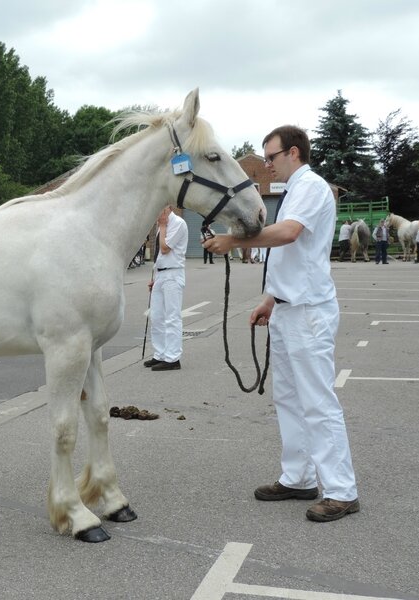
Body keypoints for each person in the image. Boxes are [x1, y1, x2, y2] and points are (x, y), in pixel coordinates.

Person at [203, 125, 359, 522]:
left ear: (293, 153)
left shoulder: (310, 187)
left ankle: (341, 490)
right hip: (290, 307)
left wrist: (234, 241)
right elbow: (294, 255)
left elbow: (289, 235)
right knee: (289, 398)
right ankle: (299, 477)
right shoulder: (293, 191)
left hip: (308, 311)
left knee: (317, 401)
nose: (267, 164)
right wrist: (271, 299)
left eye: (270, 157)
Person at [143, 205, 188, 372]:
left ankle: (173, 358)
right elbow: (159, 256)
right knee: (156, 316)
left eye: (159, 210)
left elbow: (164, 248)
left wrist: (162, 226)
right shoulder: (163, 224)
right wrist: (155, 277)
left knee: (172, 317)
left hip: (173, 274)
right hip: (161, 274)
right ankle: (160, 354)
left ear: (168, 208)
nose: (157, 215)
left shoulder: (178, 223)